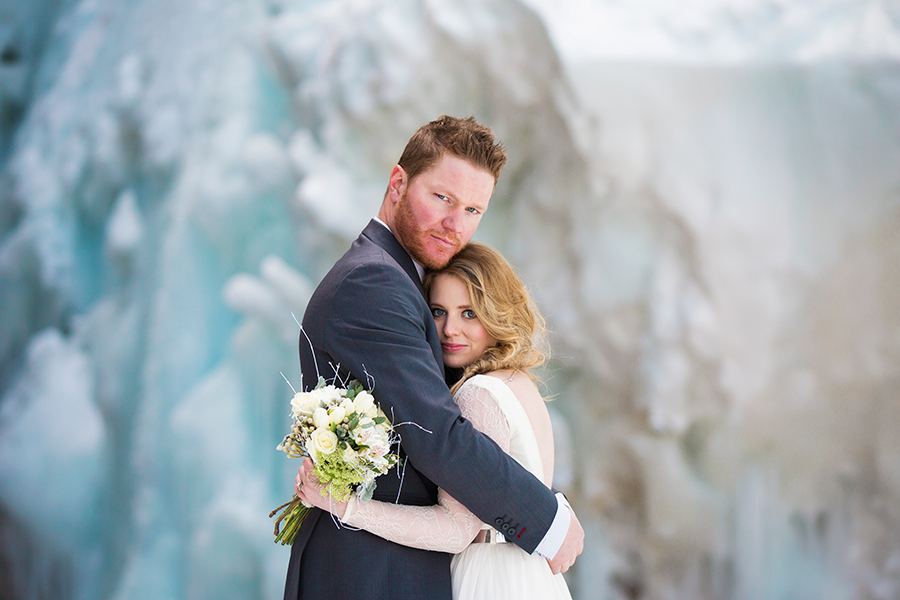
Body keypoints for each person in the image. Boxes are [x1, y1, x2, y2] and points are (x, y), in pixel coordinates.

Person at [283, 115, 583, 600]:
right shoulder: (374, 282)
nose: (455, 224)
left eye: (472, 209)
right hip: (369, 572)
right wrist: (544, 520)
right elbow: (435, 434)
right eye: (442, 198)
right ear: (398, 182)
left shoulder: (401, 278)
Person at [296, 242, 573, 600]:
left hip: (488, 576)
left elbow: (456, 530)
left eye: (469, 313)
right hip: (527, 575)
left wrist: (344, 505)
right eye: (438, 312)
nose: (449, 330)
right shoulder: (520, 382)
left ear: (498, 314)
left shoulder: (479, 393)